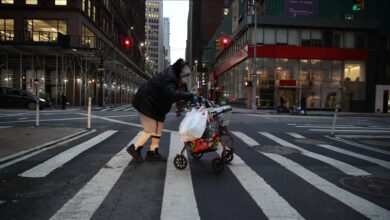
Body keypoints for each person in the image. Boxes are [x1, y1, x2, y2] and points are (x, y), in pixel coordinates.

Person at [126, 58, 195, 163]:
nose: (184, 80)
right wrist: (189, 95)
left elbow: (179, 96)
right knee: (150, 128)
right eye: (183, 77)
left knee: (158, 127)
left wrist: (185, 100)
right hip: (145, 101)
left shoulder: (175, 78)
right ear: (179, 73)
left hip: (155, 106)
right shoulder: (169, 77)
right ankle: (135, 148)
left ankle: (153, 152)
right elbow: (172, 94)